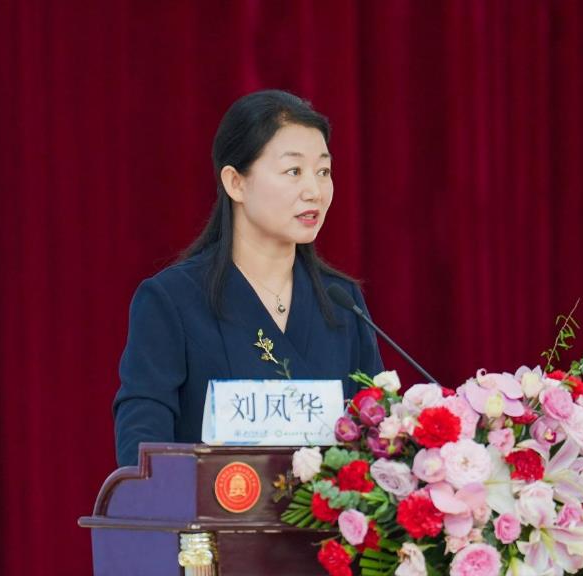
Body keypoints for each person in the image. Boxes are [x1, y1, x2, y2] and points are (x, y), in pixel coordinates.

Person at [113, 90, 383, 466]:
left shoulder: (342, 302)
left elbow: (378, 445)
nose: (315, 191)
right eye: (294, 171)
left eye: (323, 172)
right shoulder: (172, 301)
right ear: (235, 183)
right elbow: (143, 456)